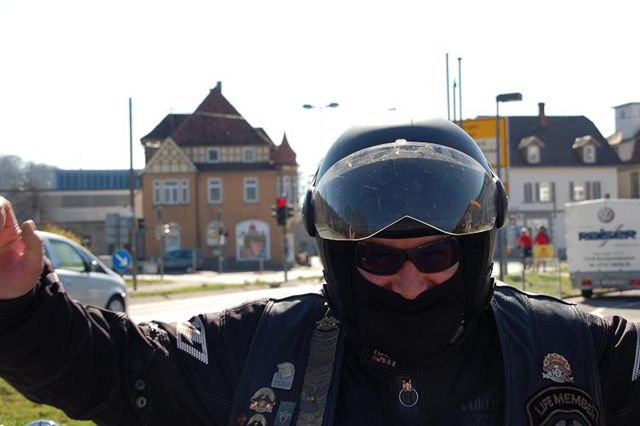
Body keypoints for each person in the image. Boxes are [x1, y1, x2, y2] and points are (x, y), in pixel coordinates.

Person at [1, 119, 640, 425]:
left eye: (435, 255)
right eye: (379, 258)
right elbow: (118, 369)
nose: (410, 283)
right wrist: (22, 305)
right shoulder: (259, 347)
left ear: (473, 255)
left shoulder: (577, 347)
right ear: (341, 261)